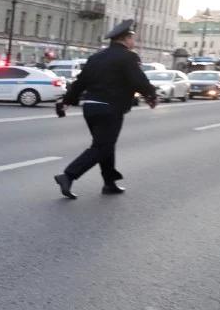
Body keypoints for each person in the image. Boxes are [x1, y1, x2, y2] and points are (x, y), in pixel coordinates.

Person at [54, 19, 156, 199]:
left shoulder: (96, 57)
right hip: (111, 109)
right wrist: (151, 95)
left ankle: (109, 183)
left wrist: (67, 100)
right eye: (132, 38)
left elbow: (80, 82)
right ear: (125, 39)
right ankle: (68, 175)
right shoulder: (128, 57)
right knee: (102, 146)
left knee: (105, 145)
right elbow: (138, 80)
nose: (134, 42)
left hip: (91, 108)